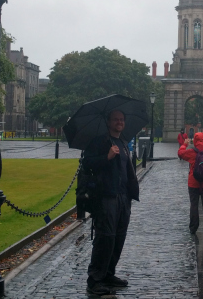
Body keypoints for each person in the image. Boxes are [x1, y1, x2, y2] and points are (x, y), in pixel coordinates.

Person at [83, 110, 139, 296]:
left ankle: (108, 273)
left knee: (118, 237)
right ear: (108, 122)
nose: (119, 122)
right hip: (106, 195)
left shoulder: (123, 142)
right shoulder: (100, 142)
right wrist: (106, 157)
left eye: (122, 119)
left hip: (123, 197)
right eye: (115, 119)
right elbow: (87, 163)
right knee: (105, 237)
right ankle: (95, 279)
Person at [177, 132, 203, 235]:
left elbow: (180, 153)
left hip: (193, 183)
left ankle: (193, 228)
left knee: (194, 205)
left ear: (194, 141)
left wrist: (184, 144)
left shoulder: (191, 152)